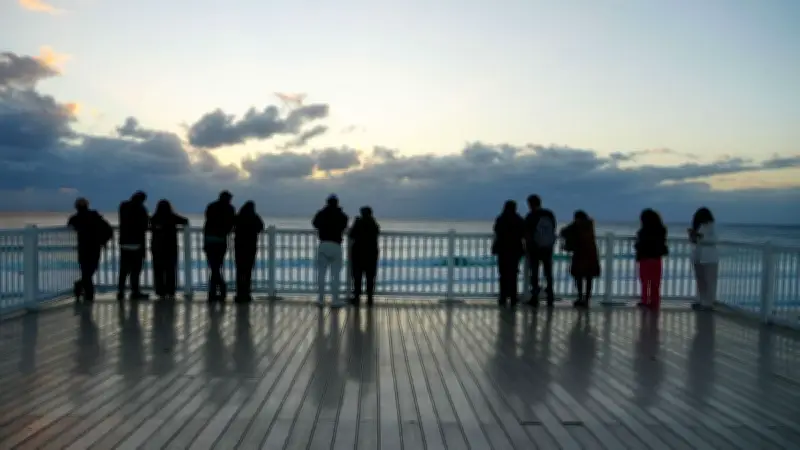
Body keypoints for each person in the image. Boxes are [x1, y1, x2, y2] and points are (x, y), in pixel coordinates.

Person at [68, 198, 113, 302]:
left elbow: (70, 224)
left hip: (84, 248)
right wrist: (103, 241)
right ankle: (88, 293)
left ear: (76, 207)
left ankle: (83, 288)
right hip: (94, 247)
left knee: (86, 271)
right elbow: (108, 230)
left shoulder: (76, 218)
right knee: (90, 270)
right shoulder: (95, 216)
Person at [312, 195, 349, 307]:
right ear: (337, 203)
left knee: (321, 274)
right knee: (335, 275)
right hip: (336, 245)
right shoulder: (342, 215)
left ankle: (320, 299)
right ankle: (335, 300)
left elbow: (314, 223)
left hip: (323, 244)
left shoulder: (321, 214)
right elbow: (344, 225)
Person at [149, 200, 189, 300]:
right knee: (170, 270)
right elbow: (185, 220)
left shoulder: (154, 218)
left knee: (158, 270)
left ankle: (160, 291)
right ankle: (170, 291)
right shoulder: (172, 217)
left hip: (157, 248)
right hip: (170, 247)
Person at [561, 210, 600, 308]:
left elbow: (564, 232)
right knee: (589, 277)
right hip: (591, 254)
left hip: (580, 254)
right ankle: (586, 299)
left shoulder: (577, 226)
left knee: (578, 276)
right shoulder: (590, 225)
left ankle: (580, 297)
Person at [523, 194, 557, 306]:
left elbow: (526, 232)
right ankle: (550, 296)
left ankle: (535, 297)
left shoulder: (531, 216)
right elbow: (553, 227)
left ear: (530, 204)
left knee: (534, 273)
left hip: (535, 249)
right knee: (548, 272)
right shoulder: (549, 214)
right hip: (548, 247)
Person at [203, 191, 236, 302]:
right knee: (216, 267)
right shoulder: (230, 208)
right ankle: (221, 289)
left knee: (214, 267)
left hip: (209, 239)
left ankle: (213, 292)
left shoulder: (211, 206)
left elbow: (207, 219)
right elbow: (231, 223)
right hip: (220, 241)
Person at [492, 200, 525, 306]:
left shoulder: (501, 218)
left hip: (503, 249)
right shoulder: (518, 219)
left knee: (503, 274)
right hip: (515, 249)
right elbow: (523, 232)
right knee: (513, 274)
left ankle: (503, 297)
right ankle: (513, 297)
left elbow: (496, 230)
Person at [117, 191, 149, 301]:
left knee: (124, 269)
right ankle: (135, 291)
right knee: (135, 269)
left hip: (124, 242)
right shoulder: (141, 209)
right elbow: (145, 226)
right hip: (137, 243)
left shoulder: (123, 206)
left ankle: (120, 291)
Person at [635, 209, 668, 309]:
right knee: (655, 283)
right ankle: (655, 302)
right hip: (657, 259)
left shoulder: (643, 232)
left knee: (645, 282)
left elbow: (640, 245)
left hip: (645, 259)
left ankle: (645, 301)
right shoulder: (661, 230)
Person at [348, 206, 380, 306]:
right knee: (370, 276)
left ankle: (357, 297)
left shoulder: (359, 223)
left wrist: (355, 223)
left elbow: (351, 235)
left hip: (358, 253)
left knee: (357, 276)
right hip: (371, 254)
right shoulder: (374, 224)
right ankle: (370, 298)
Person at [234, 201, 264, 303]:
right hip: (251, 247)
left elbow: (233, 226)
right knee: (248, 271)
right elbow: (261, 227)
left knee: (239, 270)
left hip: (239, 247)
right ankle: (246, 294)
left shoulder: (239, 216)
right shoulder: (254, 216)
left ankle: (239, 294)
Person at [688, 207, 718, 311]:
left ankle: (708, 303)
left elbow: (713, 239)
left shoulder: (711, 226)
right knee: (700, 280)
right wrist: (693, 236)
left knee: (709, 280)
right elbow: (695, 242)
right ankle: (701, 300)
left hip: (709, 257)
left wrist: (700, 237)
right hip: (698, 256)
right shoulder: (699, 226)